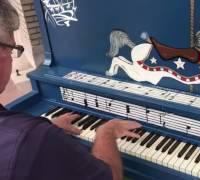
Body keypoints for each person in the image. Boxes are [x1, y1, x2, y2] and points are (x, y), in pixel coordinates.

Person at [0, 1, 141, 180]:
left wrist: (46, 128)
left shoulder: (28, 134)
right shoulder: (33, 137)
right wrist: (106, 133)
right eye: (11, 48)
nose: (13, 58)